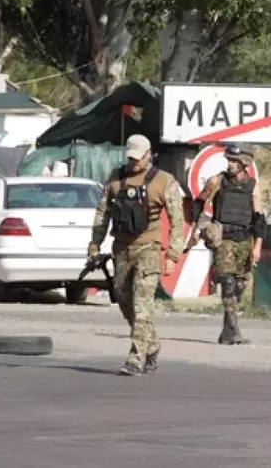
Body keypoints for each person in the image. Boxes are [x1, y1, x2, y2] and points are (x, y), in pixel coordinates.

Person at [88, 134, 186, 376]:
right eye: (130, 158)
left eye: (138, 158)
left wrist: (172, 255)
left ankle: (136, 359)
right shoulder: (116, 178)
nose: (134, 163)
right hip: (122, 249)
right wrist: (94, 244)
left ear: (148, 155)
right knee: (125, 303)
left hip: (148, 249)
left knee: (142, 305)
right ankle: (151, 344)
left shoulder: (164, 181)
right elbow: (103, 213)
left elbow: (177, 221)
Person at [188, 145, 267, 345]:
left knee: (239, 286)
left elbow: (259, 219)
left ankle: (227, 332)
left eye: (235, 161)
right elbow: (198, 205)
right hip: (224, 240)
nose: (230, 164)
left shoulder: (253, 187)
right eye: (229, 160)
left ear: (244, 164)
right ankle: (235, 330)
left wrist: (257, 246)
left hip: (244, 241)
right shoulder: (217, 181)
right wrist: (195, 231)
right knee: (228, 282)